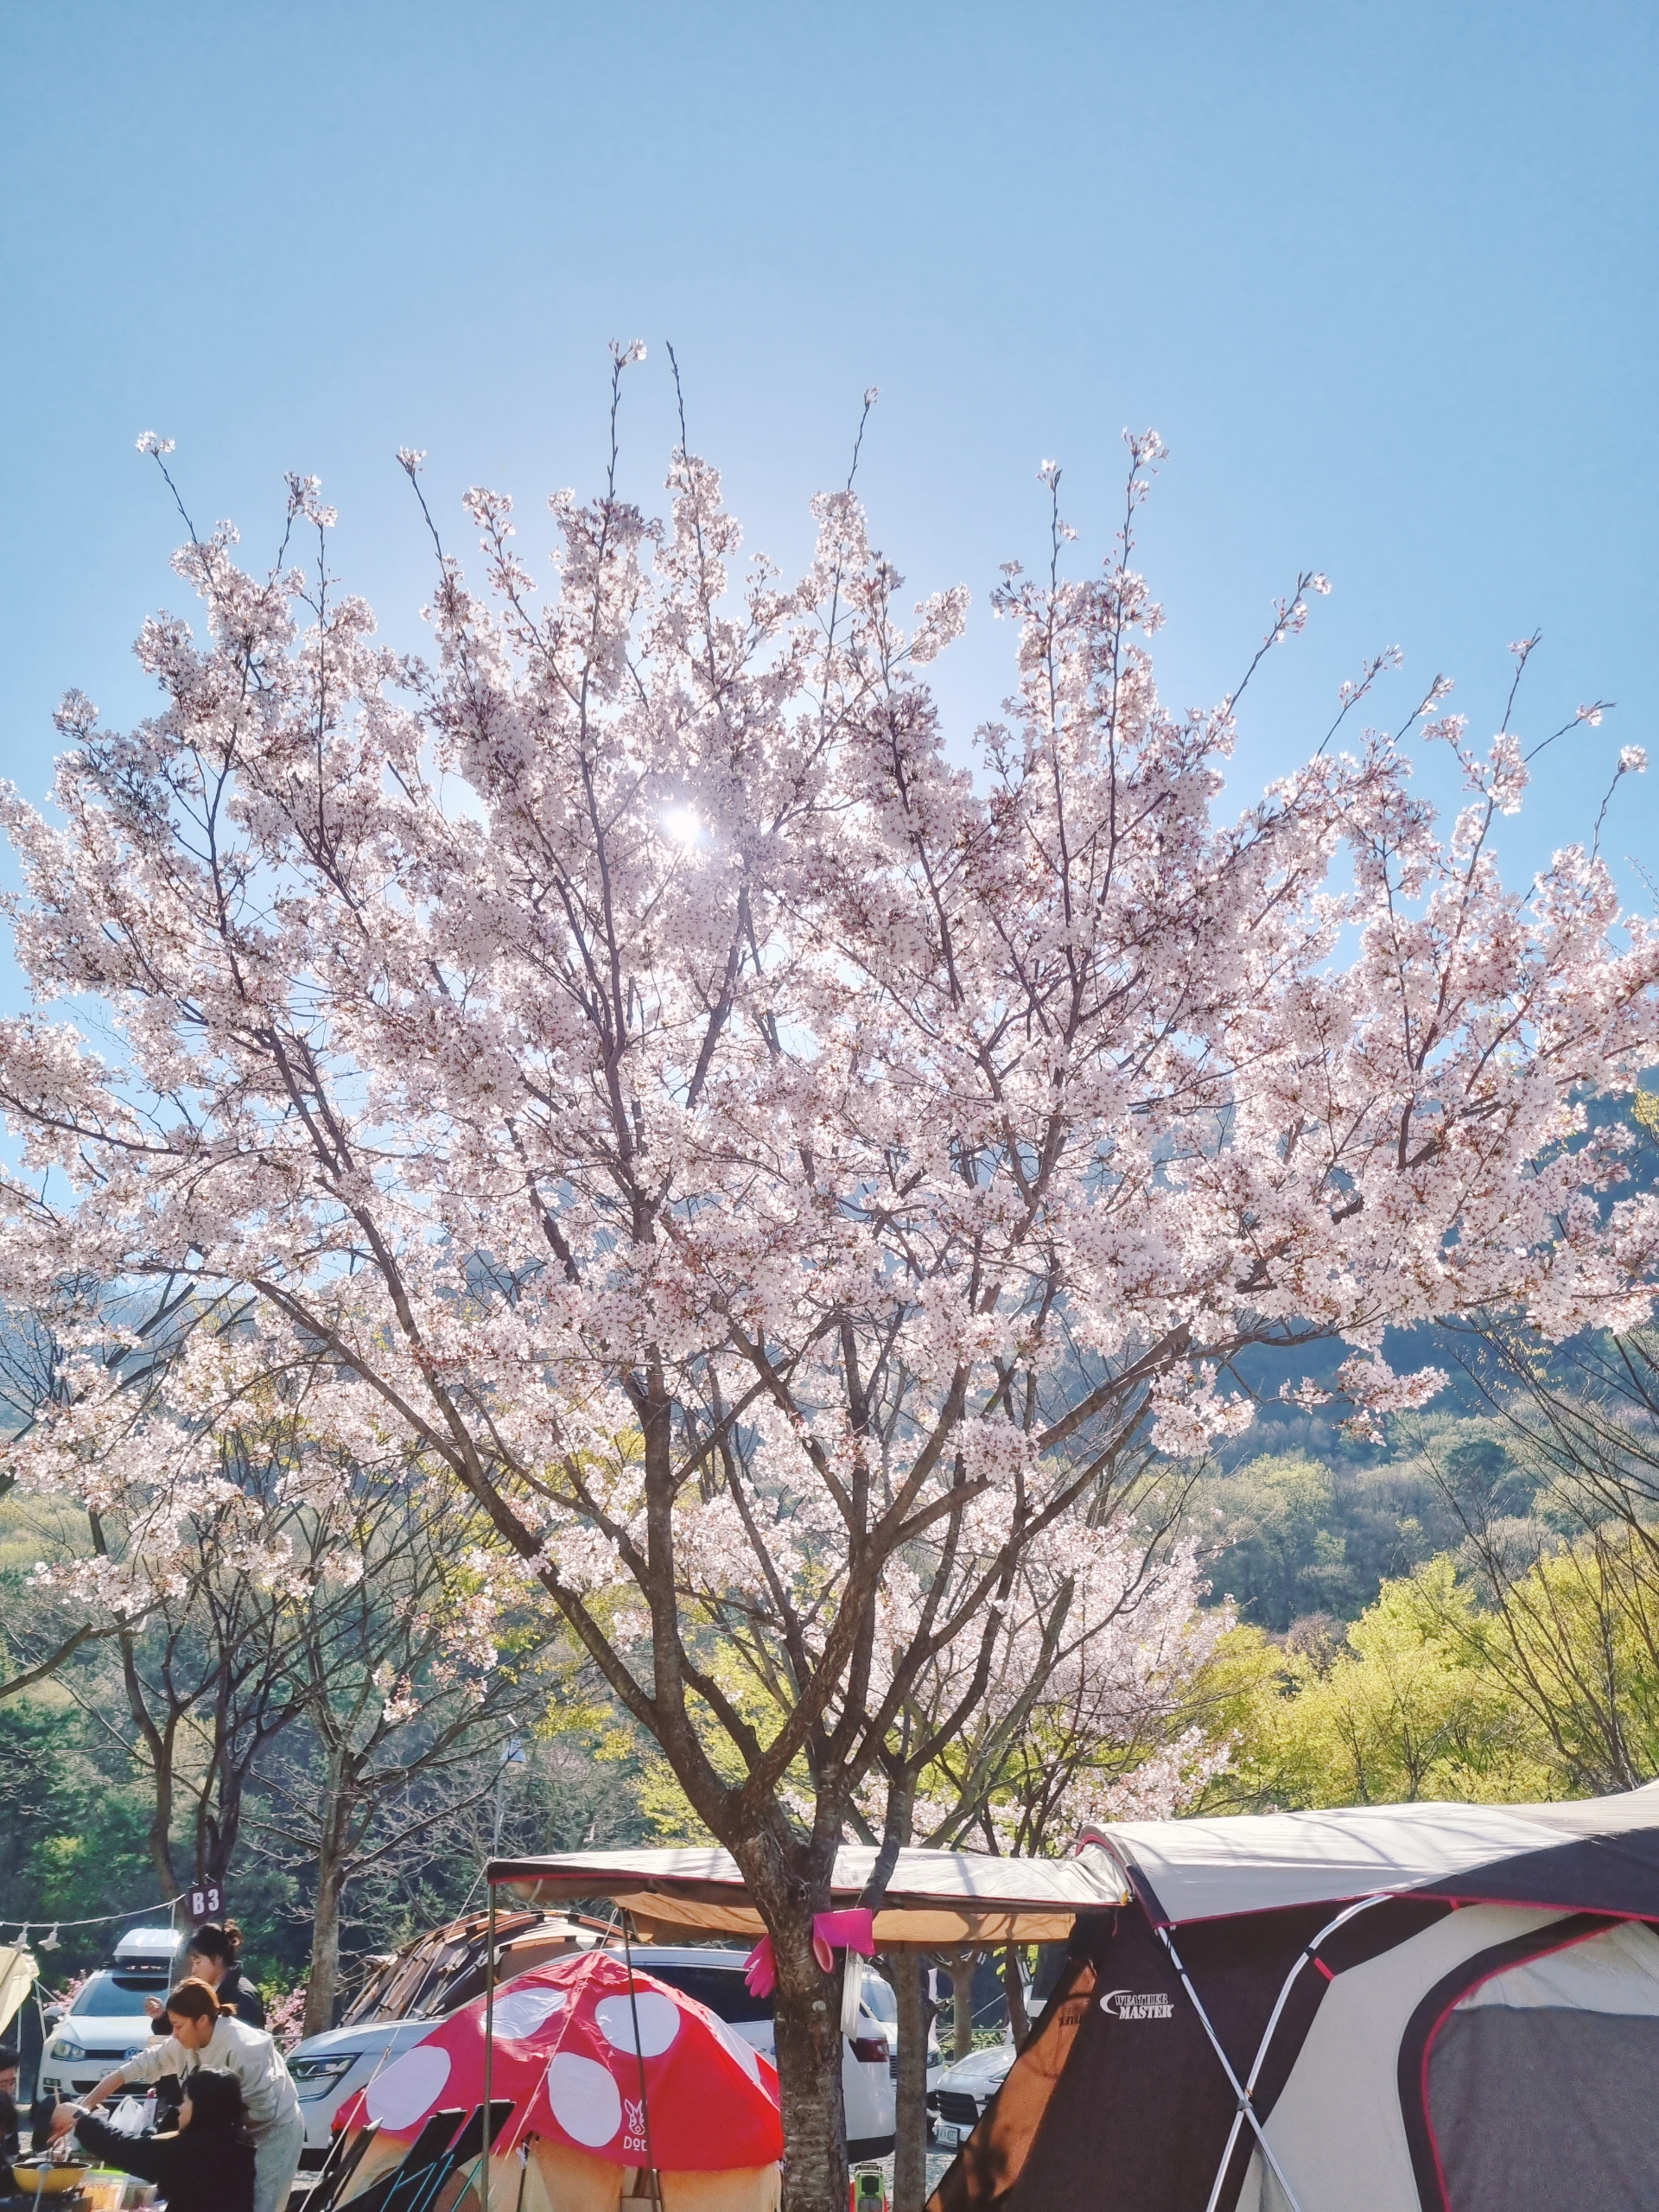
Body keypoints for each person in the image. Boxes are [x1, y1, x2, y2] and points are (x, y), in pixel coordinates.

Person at [68, 1979, 302, 2212]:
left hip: (272, 2130)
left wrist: (183, 2142)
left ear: (201, 2021)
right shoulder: (181, 2042)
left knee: (261, 2205)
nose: (174, 2034)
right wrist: (85, 2106)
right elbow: (133, 2069)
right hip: (223, 2138)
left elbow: (258, 2111)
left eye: (178, 2026)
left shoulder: (245, 2047)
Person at [56, 2068, 255, 2212]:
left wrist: (80, 2118)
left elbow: (126, 2149)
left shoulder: (193, 2152)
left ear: (203, 2108)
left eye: (186, 2101)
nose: (180, 2107)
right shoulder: (238, 2146)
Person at [143, 1921, 265, 2031]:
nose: (194, 1970)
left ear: (217, 1959)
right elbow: (184, 2031)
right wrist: (161, 2016)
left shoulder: (243, 1997)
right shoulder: (201, 1992)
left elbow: (249, 2048)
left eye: (198, 1962)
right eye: (193, 1963)